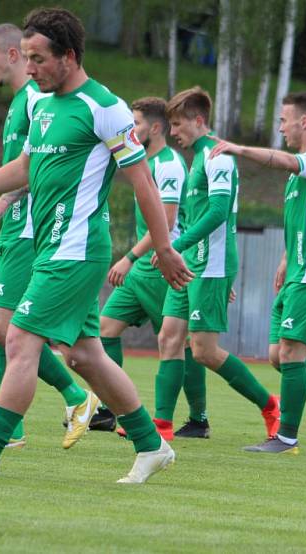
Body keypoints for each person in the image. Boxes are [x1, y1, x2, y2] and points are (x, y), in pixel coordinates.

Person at [0, 7, 192, 484]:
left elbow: (144, 184)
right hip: (52, 247)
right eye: (26, 59)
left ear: (68, 56)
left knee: (21, 337)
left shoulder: (104, 107)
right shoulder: (40, 104)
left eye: (38, 59)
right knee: (85, 354)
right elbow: (26, 168)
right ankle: (152, 445)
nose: (29, 69)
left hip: (77, 250)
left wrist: (164, 248)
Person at [0, 22, 101, 451]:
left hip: (32, 228)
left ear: (14, 54)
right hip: (16, 226)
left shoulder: (40, 101)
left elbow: (43, 169)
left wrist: (2, 202)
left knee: (7, 328)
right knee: (9, 329)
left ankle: (77, 398)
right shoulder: (22, 102)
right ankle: (14, 430)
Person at [209, 91, 306, 454]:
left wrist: (240, 149)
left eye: (283, 120)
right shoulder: (301, 175)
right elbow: (304, 222)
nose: (280, 128)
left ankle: (287, 437)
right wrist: (284, 259)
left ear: (304, 121)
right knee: (278, 356)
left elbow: (278, 160)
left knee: (292, 353)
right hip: (297, 272)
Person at [153, 86, 280, 442]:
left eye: (178, 124)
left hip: (209, 265)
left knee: (204, 351)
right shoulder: (198, 159)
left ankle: (271, 405)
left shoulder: (219, 156)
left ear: (198, 121)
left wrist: (172, 246)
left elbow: (219, 213)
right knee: (169, 337)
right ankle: (162, 427)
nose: (173, 132)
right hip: (193, 263)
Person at [98, 96, 209, 438]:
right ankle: (110, 410)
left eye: (137, 125)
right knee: (105, 328)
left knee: (180, 346)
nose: (132, 130)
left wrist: (128, 257)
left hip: (163, 265)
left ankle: (198, 418)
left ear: (155, 128)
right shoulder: (142, 161)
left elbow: (168, 219)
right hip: (141, 271)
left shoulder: (169, 164)